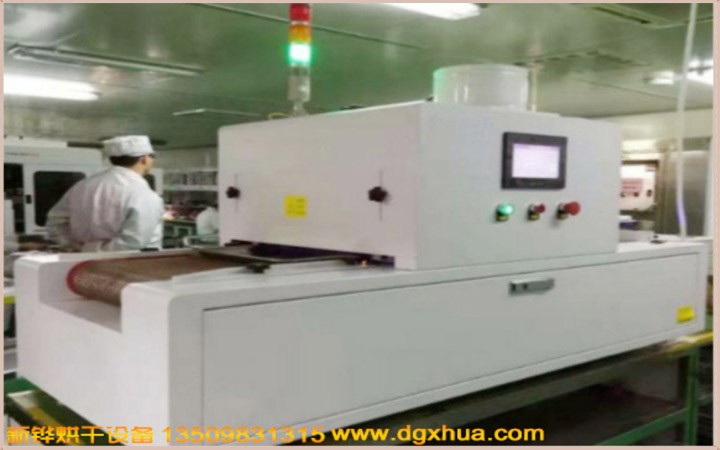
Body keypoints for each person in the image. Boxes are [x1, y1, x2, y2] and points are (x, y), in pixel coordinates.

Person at [46, 135, 164, 252]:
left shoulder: (82, 186)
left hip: (82, 259)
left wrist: (76, 246)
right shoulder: (143, 194)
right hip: (128, 260)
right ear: (144, 159)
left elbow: (55, 221)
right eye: (152, 156)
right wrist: (97, 250)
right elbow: (134, 241)